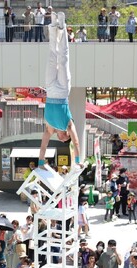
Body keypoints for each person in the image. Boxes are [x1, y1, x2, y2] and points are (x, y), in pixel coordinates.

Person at [38, 13, 83, 171]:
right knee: (63, 60)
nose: (60, 138)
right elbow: (76, 142)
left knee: (52, 57)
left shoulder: (50, 128)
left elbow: (43, 145)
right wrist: (77, 161)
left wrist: (41, 163)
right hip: (63, 92)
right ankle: (62, 28)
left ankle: (52, 27)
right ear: (67, 136)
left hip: (50, 91)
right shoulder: (69, 125)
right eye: (63, 139)